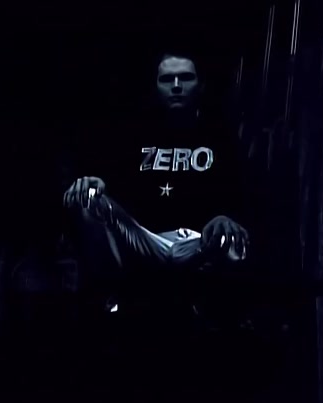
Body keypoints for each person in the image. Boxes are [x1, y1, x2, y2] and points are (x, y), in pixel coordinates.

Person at [63, 50, 254, 315]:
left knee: (230, 238)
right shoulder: (132, 135)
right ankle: (113, 295)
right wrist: (95, 186)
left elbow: (240, 196)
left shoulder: (221, 137)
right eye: (167, 79)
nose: (176, 86)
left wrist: (227, 216)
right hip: (145, 241)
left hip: (199, 241)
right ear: (155, 86)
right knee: (86, 196)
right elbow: (111, 191)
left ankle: (215, 309)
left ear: (201, 85)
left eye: (185, 78)